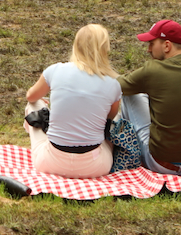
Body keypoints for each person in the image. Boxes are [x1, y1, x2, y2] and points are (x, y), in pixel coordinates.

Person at [117, 20, 181, 178]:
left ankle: (118, 145)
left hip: (162, 164)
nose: (148, 50)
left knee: (131, 93)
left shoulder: (153, 70)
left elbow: (116, 86)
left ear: (166, 45)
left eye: (151, 43)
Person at [23, 24, 121, 178]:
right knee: (115, 119)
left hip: (50, 163)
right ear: (105, 49)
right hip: (95, 167)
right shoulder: (114, 83)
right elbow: (110, 116)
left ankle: (45, 134)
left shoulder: (55, 70)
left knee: (33, 105)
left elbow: (31, 96)